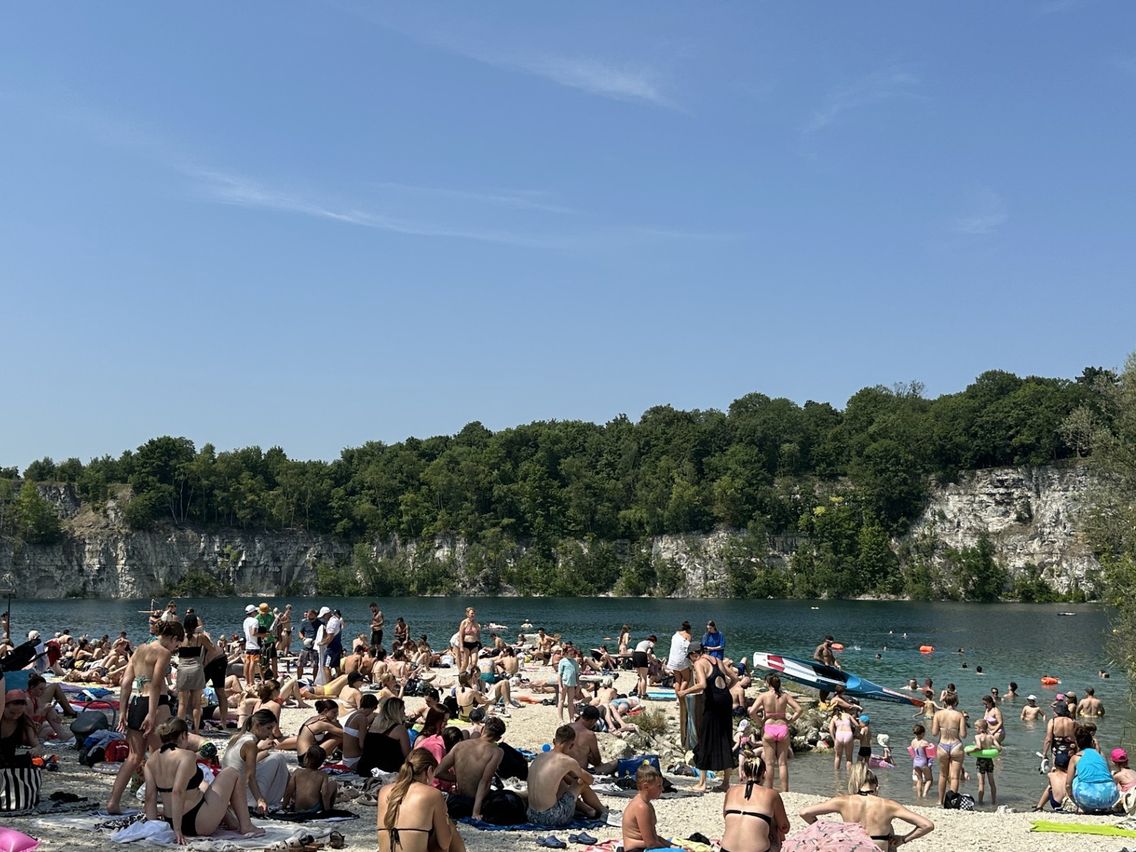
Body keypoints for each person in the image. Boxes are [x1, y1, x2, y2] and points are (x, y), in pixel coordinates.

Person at [106, 620, 185, 815]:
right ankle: (165, 806)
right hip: (156, 704)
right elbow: (157, 684)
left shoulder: (140, 649)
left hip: (136, 702)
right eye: (177, 644)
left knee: (133, 757)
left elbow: (126, 682)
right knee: (161, 757)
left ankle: (113, 802)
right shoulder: (163, 653)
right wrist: (151, 714)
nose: (175, 649)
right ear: (173, 638)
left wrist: (123, 711)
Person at [143, 717, 263, 844]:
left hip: (171, 820)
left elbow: (150, 797)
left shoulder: (151, 760)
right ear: (184, 735)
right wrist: (178, 831)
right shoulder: (186, 756)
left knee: (204, 786)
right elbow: (177, 792)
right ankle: (246, 825)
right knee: (232, 772)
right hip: (197, 821)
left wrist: (154, 827)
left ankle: (232, 822)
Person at [798, 762, 935, 851]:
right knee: (890, 832)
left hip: (852, 847)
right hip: (877, 848)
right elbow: (927, 825)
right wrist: (903, 839)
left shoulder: (844, 801)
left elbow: (805, 813)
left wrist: (829, 832)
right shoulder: (889, 805)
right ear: (876, 786)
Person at [377, 748, 466, 852]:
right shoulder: (432, 794)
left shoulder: (384, 791)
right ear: (429, 771)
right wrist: (445, 816)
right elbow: (445, 843)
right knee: (449, 826)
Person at [679, 642, 736, 793]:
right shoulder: (717, 660)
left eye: (690, 657)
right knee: (725, 737)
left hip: (713, 703)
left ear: (693, 654)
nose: (691, 661)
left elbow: (703, 684)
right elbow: (734, 678)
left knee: (705, 737)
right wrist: (723, 691)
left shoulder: (699, 663)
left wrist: (685, 692)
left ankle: (702, 783)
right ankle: (726, 783)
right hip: (726, 699)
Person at [434, 716, 505, 820]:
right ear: (498, 738)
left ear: (482, 729)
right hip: (476, 801)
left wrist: (460, 777)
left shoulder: (460, 745)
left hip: (459, 800)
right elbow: (485, 781)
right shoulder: (496, 752)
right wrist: (476, 812)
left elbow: (438, 772)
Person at [527, 724, 599, 826]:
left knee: (559, 782)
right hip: (551, 818)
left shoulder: (539, 757)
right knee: (581, 783)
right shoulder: (567, 761)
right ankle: (602, 811)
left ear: (554, 741)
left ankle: (588, 810)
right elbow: (590, 780)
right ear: (572, 745)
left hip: (531, 815)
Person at [719, 748, 789, 852]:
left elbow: (726, 816)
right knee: (773, 824)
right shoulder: (772, 794)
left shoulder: (731, 791)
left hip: (726, 850)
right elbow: (784, 827)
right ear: (764, 773)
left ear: (744, 773)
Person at [221, 708, 291, 812]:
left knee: (272, 756)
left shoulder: (237, 737)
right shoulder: (250, 744)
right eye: (268, 728)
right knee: (279, 758)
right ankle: (279, 798)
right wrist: (260, 800)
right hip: (242, 796)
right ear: (257, 725)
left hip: (228, 789)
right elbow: (250, 777)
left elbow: (241, 760)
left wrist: (260, 749)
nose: (270, 733)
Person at [750, 673, 800, 791]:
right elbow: (799, 709)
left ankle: (769, 789)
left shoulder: (764, 696)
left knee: (769, 763)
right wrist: (790, 721)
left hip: (769, 727)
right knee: (783, 763)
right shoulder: (785, 696)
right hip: (782, 727)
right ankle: (785, 790)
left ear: (768, 683)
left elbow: (752, 711)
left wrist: (760, 723)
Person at [1067, 723, 1120, 813]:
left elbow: (1067, 785)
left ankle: (1084, 808)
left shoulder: (1075, 758)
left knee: (1076, 779)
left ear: (1077, 744)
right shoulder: (1101, 755)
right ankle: (1105, 807)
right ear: (1092, 742)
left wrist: (1075, 802)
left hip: (1088, 799)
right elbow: (1109, 774)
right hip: (1111, 797)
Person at [622, 764, 676, 852]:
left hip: (646, 846)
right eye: (659, 786)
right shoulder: (641, 807)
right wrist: (671, 848)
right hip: (636, 849)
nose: (662, 789)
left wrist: (674, 846)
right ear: (646, 787)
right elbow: (650, 843)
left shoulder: (646, 804)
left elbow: (653, 837)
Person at [359, 696, 411, 776]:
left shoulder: (373, 724)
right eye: (403, 710)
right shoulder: (400, 729)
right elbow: (407, 754)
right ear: (396, 712)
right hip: (388, 771)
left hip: (366, 769)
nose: (404, 713)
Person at [931, 692, 967, 806]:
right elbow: (963, 734)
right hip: (956, 744)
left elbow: (934, 733)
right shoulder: (959, 715)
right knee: (955, 776)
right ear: (956, 702)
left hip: (943, 745)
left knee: (943, 775)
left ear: (944, 702)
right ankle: (952, 802)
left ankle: (940, 801)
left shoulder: (938, 714)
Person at [284, 745, 338, 813]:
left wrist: (284, 807)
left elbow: (289, 791)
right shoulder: (322, 775)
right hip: (314, 808)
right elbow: (325, 794)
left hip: (298, 808)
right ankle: (329, 807)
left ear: (306, 758)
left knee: (293, 785)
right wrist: (327, 810)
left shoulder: (297, 772)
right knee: (333, 784)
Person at [176, 622, 208, 732]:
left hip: (183, 669)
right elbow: (212, 648)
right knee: (196, 704)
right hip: (196, 668)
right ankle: (197, 730)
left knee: (182, 704)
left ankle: (179, 731)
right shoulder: (200, 637)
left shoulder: (180, 638)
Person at [0, 690, 40, 767]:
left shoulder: (24, 721)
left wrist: (35, 750)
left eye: (19, 713)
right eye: (12, 713)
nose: (15, 716)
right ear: (3, 707)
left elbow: (36, 745)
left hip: (9, 761)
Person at [971, 719, 1001, 806]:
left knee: (981, 783)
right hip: (989, 760)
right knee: (992, 782)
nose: (975, 730)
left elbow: (979, 747)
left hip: (981, 761)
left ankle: (980, 802)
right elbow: (999, 748)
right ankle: (994, 801)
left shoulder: (978, 737)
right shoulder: (991, 737)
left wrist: (971, 751)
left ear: (980, 729)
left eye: (976, 728)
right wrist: (990, 748)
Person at [666, 621, 693, 698]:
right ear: (689, 629)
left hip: (673, 659)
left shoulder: (675, 634)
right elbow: (688, 648)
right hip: (681, 660)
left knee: (678, 680)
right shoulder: (688, 635)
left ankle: (677, 698)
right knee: (686, 679)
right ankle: (680, 697)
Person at [556, 646, 581, 723]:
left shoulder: (574, 662)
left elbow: (577, 674)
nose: (571, 653)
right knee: (561, 701)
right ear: (566, 652)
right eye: (570, 651)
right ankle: (561, 719)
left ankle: (571, 718)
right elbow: (559, 674)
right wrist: (560, 686)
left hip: (572, 684)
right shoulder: (562, 661)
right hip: (564, 683)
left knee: (571, 701)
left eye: (572, 651)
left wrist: (578, 685)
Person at [909, 724, 934, 799]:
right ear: (923, 733)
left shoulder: (913, 742)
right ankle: (925, 794)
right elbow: (930, 754)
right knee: (929, 779)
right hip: (923, 763)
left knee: (919, 780)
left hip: (915, 763)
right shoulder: (924, 743)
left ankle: (919, 796)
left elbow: (912, 752)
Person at [829, 707, 857, 771]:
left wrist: (834, 740)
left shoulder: (834, 718)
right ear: (843, 710)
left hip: (839, 735)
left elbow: (830, 729)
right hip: (848, 734)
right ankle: (849, 776)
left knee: (838, 757)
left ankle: (836, 776)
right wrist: (855, 735)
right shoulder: (848, 715)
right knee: (849, 758)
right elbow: (857, 725)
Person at [457, 608, 481, 676]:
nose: (473, 615)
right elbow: (461, 636)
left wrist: (480, 644)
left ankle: (471, 677)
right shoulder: (464, 622)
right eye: (471, 613)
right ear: (467, 614)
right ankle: (461, 677)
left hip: (474, 644)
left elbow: (478, 635)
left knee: (474, 662)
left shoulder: (476, 623)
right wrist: (461, 647)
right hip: (466, 644)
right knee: (465, 663)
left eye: (474, 613)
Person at [632, 635, 657, 699]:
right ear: (654, 640)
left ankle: (639, 693)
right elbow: (648, 653)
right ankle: (644, 694)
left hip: (635, 655)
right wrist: (653, 661)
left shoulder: (642, 642)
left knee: (640, 677)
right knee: (644, 677)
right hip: (642, 655)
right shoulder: (651, 643)